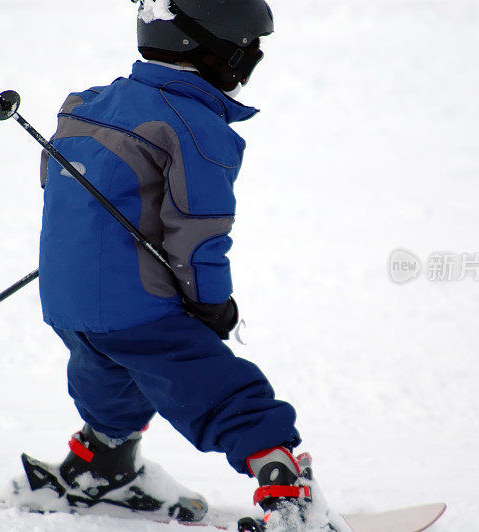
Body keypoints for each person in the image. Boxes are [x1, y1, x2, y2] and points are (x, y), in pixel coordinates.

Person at [32, 1, 347, 530]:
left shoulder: (87, 102)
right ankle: (287, 490)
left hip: (65, 300)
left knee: (110, 378)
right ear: (212, 48)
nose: (252, 59)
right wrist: (210, 304)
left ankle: (103, 465)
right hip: (137, 307)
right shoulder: (194, 126)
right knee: (220, 391)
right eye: (248, 47)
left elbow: (60, 190)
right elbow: (199, 235)